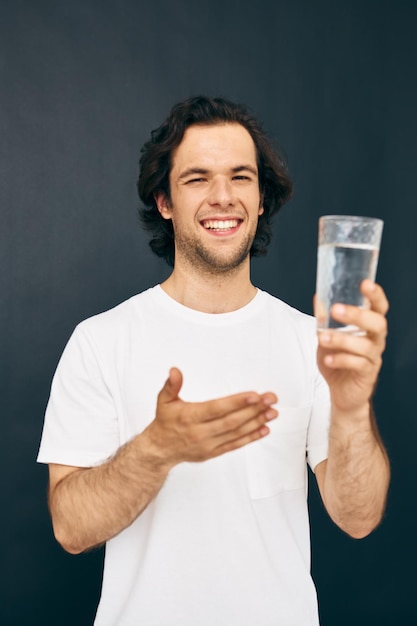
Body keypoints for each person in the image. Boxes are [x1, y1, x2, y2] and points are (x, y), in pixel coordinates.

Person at [37, 96, 390, 626]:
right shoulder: (101, 341)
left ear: (263, 197)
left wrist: (353, 404)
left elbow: (358, 518)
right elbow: (70, 529)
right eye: (198, 179)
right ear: (164, 200)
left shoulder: (309, 341)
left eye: (241, 177)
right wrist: (157, 450)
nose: (223, 198)